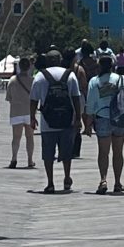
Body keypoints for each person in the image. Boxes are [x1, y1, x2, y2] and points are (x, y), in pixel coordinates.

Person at [84, 51, 124, 195]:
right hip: (119, 119)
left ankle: (103, 180)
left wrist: (88, 124)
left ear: (99, 67)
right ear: (112, 66)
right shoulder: (120, 79)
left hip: (102, 118)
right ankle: (118, 182)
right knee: (118, 152)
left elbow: (90, 105)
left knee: (103, 152)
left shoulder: (94, 81)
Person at [30, 50, 83, 194]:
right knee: (66, 152)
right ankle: (67, 177)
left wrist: (32, 117)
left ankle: (50, 183)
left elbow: (33, 100)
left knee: (48, 153)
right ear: (60, 60)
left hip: (47, 121)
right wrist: (78, 118)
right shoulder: (70, 75)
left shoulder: (40, 76)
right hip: (67, 120)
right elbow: (76, 98)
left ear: (47, 61)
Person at [4, 58, 37, 168]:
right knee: (30, 137)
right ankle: (30, 160)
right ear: (29, 67)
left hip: (16, 112)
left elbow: (8, 98)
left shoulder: (12, 80)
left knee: (16, 137)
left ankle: (14, 158)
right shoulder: (33, 80)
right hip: (29, 112)